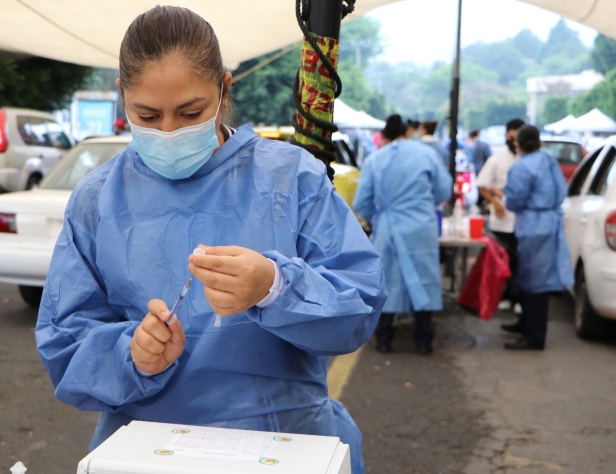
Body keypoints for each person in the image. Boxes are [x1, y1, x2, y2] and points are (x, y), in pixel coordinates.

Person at [34, 7, 387, 474]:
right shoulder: (98, 200)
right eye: (147, 114)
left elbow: (358, 304)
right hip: (145, 449)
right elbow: (65, 340)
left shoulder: (290, 178)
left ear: (224, 87)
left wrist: (276, 287)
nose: (168, 131)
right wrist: (132, 355)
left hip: (284, 443)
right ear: (122, 96)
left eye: (190, 112)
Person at [353, 115, 452, 355]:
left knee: (388, 282)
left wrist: (380, 216)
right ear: (409, 132)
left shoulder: (375, 160)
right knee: (424, 279)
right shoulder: (427, 154)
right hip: (421, 226)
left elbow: (362, 202)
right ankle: (424, 339)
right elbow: (443, 190)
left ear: (384, 136)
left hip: (389, 226)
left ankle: (384, 338)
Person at [503, 125, 574, 350]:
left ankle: (534, 336)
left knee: (535, 283)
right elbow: (562, 191)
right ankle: (526, 324)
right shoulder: (549, 161)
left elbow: (514, 200)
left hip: (533, 226)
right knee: (532, 279)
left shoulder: (522, 167)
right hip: (550, 223)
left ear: (518, 144)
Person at [475, 119, 525, 319]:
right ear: (506, 136)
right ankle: (504, 296)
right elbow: (482, 185)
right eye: (511, 137)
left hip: (522, 220)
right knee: (503, 260)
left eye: (517, 137)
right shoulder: (497, 159)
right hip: (501, 220)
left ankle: (518, 298)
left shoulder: (527, 160)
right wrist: (495, 201)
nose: (514, 141)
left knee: (520, 261)